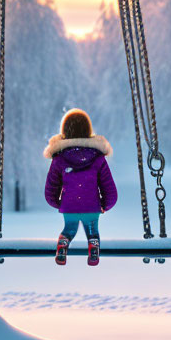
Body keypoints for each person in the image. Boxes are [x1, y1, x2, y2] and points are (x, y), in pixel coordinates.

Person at [44, 109, 117, 267]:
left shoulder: (59, 158)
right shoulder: (98, 158)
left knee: (69, 229)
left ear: (64, 131)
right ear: (88, 130)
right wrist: (105, 204)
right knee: (92, 230)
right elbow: (109, 188)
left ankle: (63, 245)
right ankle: (93, 249)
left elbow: (51, 187)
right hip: (92, 206)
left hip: (69, 205)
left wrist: (58, 203)